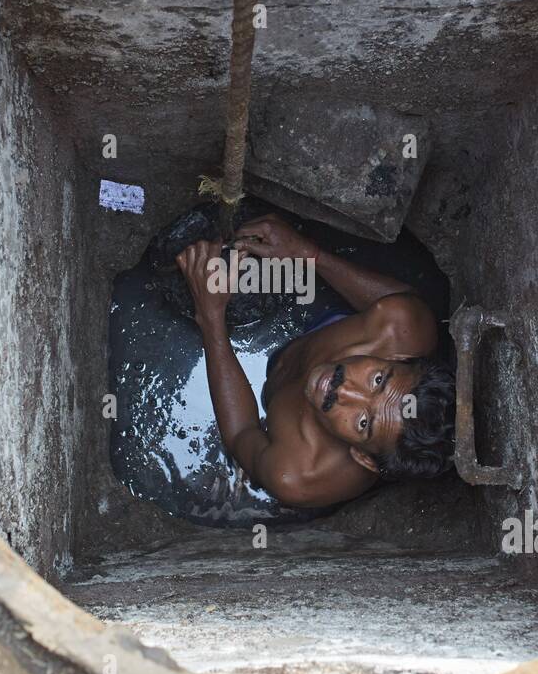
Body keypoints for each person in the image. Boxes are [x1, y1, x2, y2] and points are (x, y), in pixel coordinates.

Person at [176, 213, 455, 508]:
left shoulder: (298, 475)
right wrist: (307, 253)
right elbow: (406, 297)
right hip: (324, 326)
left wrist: (210, 318)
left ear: (363, 457)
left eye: (362, 422)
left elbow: (241, 433)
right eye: (378, 380)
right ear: (400, 358)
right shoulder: (402, 324)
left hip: (278, 388)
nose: (344, 390)